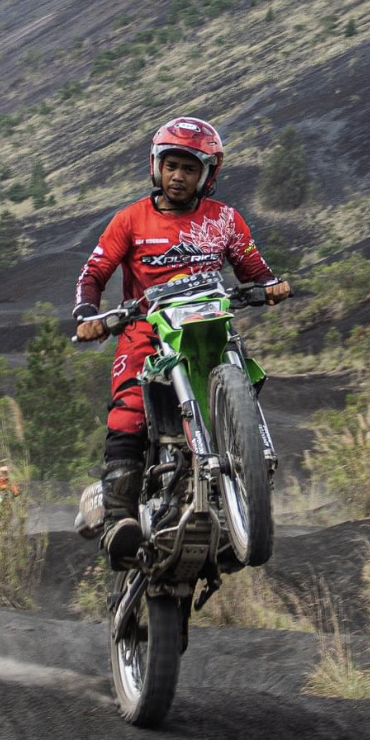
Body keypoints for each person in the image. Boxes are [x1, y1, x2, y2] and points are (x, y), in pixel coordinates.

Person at [73, 116, 290, 564]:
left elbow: (256, 271)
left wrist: (272, 286)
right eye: (171, 165)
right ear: (155, 166)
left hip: (211, 327)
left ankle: (238, 511)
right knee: (130, 408)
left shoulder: (225, 221)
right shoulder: (131, 219)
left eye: (189, 168)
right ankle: (119, 519)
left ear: (207, 174)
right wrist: (87, 314)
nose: (178, 176)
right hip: (147, 329)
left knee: (244, 387)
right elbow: (93, 274)